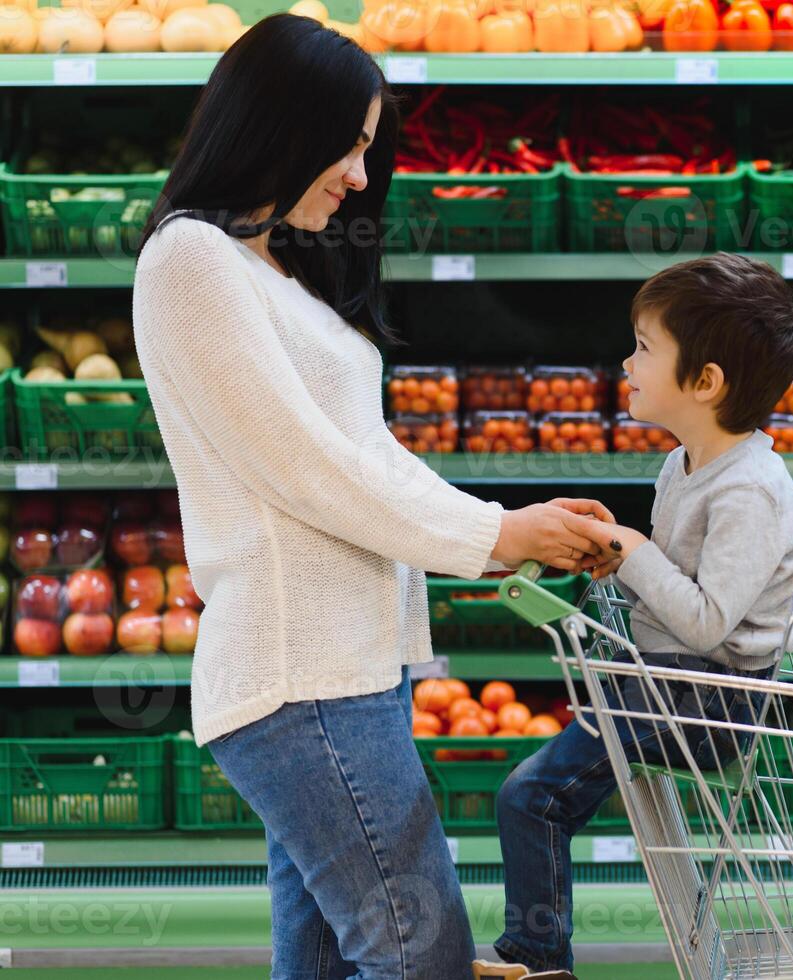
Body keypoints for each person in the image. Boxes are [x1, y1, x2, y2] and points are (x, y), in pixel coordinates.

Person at [131, 16, 607, 979]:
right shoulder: (191, 261)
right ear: (279, 123)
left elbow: (370, 454)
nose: (358, 175)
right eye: (348, 145)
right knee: (417, 950)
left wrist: (510, 529)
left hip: (351, 672)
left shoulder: (271, 269)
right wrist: (498, 532)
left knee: (328, 963)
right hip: (298, 676)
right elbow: (308, 467)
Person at [484, 253, 793, 980]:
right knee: (532, 793)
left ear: (705, 382)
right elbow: (676, 585)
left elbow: (704, 624)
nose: (626, 362)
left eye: (644, 347)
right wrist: (618, 554)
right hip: (669, 686)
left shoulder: (751, 492)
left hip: (710, 702)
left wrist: (633, 550)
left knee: (529, 798)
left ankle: (536, 962)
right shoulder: (685, 463)